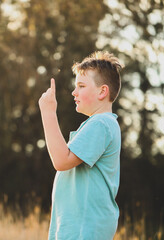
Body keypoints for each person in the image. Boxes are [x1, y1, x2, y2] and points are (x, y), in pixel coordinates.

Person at [38, 51, 124, 240]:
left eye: (81, 86)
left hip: (85, 228)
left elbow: (61, 160)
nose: (74, 92)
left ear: (102, 91)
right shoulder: (97, 124)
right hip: (77, 227)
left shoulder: (101, 124)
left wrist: (48, 112)